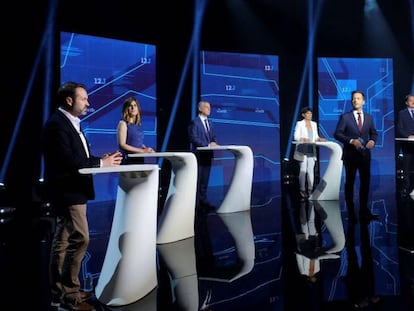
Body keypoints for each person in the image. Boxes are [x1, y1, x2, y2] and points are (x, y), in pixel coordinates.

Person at [42, 81, 123, 311]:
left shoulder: (68, 123)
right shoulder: (57, 125)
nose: (88, 102)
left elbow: (79, 155)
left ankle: (59, 295)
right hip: (68, 191)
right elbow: (68, 161)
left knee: (63, 241)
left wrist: (101, 159)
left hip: (72, 190)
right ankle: (70, 297)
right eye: (84, 98)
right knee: (81, 238)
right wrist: (100, 163)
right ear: (70, 101)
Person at [333, 90, 378, 223]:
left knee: (365, 184)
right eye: (353, 99)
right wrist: (352, 141)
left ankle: (364, 210)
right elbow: (337, 134)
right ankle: (351, 213)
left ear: (363, 101)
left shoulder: (369, 117)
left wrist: (373, 141)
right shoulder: (345, 117)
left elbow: (374, 133)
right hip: (350, 156)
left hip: (365, 156)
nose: (355, 100)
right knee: (350, 184)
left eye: (358, 98)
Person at [188, 100, 218, 210]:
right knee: (198, 180)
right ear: (200, 109)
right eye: (206, 107)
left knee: (205, 180)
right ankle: (195, 205)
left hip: (208, 155)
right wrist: (207, 145)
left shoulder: (210, 123)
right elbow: (193, 138)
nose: (209, 109)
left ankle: (203, 201)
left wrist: (213, 142)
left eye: (209, 107)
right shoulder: (194, 122)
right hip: (199, 155)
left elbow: (213, 137)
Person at [293, 106, 326, 198]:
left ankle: (310, 189)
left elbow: (315, 136)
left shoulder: (314, 124)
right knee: (303, 170)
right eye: (308, 113)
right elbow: (296, 136)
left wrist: (319, 139)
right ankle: (302, 189)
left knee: (311, 170)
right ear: (303, 115)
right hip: (302, 150)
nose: (310, 115)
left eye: (311, 113)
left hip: (311, 149)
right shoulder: (299, 124)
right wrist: (303, 138)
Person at [117, 96, 155, 164]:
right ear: (126, 109)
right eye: (130, 106)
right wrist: (142, 151)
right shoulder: (123, 123)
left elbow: (135, 141)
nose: (133, 108)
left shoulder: (138, 124)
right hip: (128, 160)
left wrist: (145, 148)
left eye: (135, 105)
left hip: (139, 158)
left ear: (138, 108)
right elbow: (122, 144)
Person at [396, 94, 414, 196]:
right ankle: (406, 187)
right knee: (406, 166)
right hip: (407, 144)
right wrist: (408, 136)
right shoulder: (402, 113)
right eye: (411, 100)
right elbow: (400, 128)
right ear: (407, 102)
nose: (413, 102)